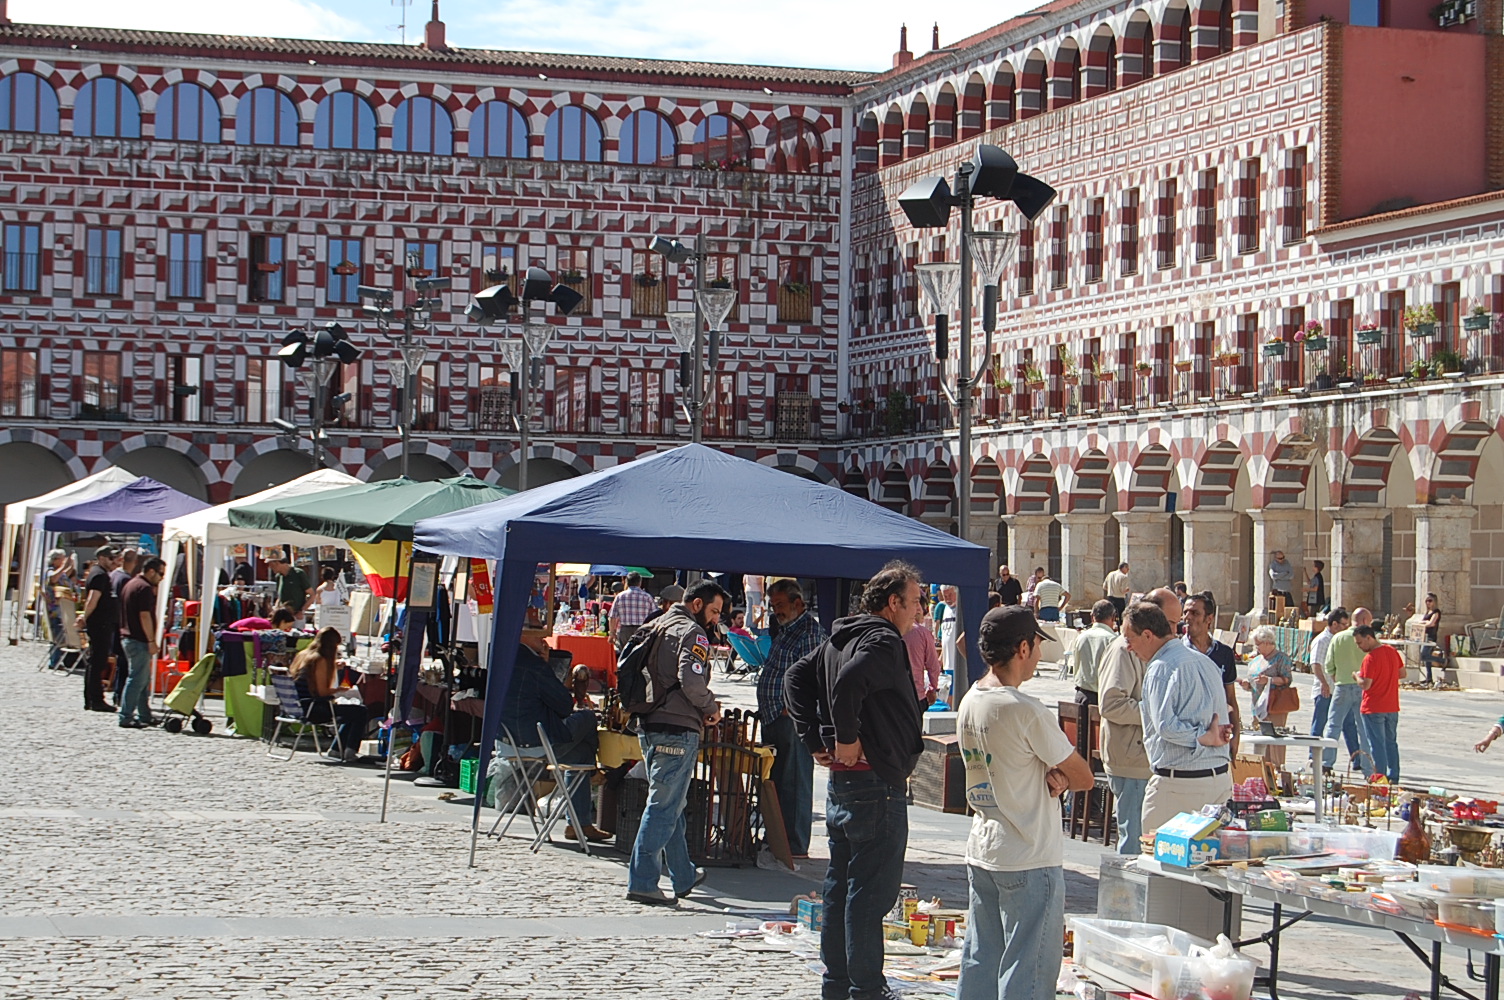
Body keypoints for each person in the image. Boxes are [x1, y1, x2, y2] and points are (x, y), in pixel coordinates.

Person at [786, 562, 924, 1000]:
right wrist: (843, 739)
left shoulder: (838, 638)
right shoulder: (881, 639)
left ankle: (838, 983)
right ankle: (867, 988)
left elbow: (795, 678)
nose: (919, 610)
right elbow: (847, 683)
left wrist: (813, 739)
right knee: (869, 892)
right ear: (893, 603)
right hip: (874, 782)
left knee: (842, 885)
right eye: (915, 601)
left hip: (848, 784)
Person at [956, 605, 1094, 1000]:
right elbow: (1083, 775)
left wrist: (1053, 776)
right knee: (1028, 970)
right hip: (1029, 852)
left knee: (982, 959)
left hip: (985, 845)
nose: (1038, 655)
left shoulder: (972, 699)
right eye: (1036, 646)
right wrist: (1061, 777)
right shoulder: (1024, 709)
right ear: (1022, 648)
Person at [626, 579, 726, 907]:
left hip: (649, 723)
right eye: (713, 611)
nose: (715, 619)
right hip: (677, 726)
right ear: (697, 604)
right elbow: (692, 680)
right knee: (664, 805)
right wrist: (711, 708)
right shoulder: (692, 632)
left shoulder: (655, 623)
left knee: (674, 803)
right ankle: (642, 881)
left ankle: (683, 874)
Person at [1128, 601, 1233, 836]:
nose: (1128, 648)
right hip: (1217, 779)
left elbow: (1166, 727)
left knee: (1160, 863)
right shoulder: (1205, 662)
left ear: (1147, 635)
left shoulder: (1160, 668)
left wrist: (1202, 737)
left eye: (1130, 640)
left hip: (1180, 786)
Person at [501, 631, 608, 841]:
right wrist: (547, 666)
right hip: (537, 742)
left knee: (580, 754)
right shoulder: (534, 665)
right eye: (537, 635)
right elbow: (564, 705)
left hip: (507, 741)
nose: (543, 640)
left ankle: (579, 824)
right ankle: (592, 775)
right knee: (587, 718)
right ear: (522, 636)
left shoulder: (504, 660)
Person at [1099, 588, 1181, 854]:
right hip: (1131, 760)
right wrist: (1157, 713)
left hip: (1151, 759)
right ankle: (1126, 895)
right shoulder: (1125, 649)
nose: (1174, 632)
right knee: (1134, 842)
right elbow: (1111, 704)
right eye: (1169, 624)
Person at [756, 578, 828, 859]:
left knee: (794, 780)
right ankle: (777, 837)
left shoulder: (809, 631)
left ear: (798, 603)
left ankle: (794, 843)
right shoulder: (786, 629)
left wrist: (795, 709)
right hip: (775, 715)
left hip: (791, 719)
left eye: (781, 605)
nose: (777, 611)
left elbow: (813, 677)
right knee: (776, 779)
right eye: (774, 606)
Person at [287, 626, 367, 761]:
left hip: (298, 706)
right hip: (313, 709)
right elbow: (322, 692)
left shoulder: (303, 655)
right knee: (360, 711)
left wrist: (333, 666)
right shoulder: (320, 660)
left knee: (351, 712)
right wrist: (341, 691)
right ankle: (349, 750)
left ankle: (337, 749)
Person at [1181, 592, 1240, 756]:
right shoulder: (1177, 651)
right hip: (1189, 734)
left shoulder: (1224, 653)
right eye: (1185, 612)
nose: (1187, 617)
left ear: (1209, 618)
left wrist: (1236, 735)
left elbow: (1230, 697)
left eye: (1195, 613)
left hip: (1219, 733)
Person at [1323, 607, 1374, 772]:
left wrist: (1336, 678)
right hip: (1363, 687)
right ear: (1365, 621)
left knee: (1333, 725)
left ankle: (1326, 763)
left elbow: (1329, 665)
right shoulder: (1369, 639)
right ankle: (1367, 767)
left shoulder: (1338, 637)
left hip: (1342, 686)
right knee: (1364, 728)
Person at [116, 556, 165, 729]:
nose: (161, 578)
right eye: (160, 573)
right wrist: (151, 640)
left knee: (142, 679)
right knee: (137, 679)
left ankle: (145, 714)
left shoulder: (131, 583)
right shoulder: (143, 588)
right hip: (138, 639)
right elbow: (144, 615)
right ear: (151, 571)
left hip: (129, 638)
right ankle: (126, 715)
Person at [1240, 626, 1293, 767]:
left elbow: (1287, 679)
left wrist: (1269, 680)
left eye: (1258, 644)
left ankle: (1277, 771)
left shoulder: (1281, 658)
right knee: (1260, 741)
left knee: (1275, 742)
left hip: (1275, 704)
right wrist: (1247, 685)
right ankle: (1261, 772)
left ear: (1268, 642)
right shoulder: (1256, 660)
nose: (1256, 647)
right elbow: (1253, 681)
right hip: (1258, 704)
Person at [1355, 625, 1403, 782]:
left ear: (1369, 638)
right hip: (1391, 706)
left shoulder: (1370, 658)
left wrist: (1356, 676)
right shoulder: (1391, 651)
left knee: (1377, 744)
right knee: (1391, 743)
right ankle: (1394, 776)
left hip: (1373, 707)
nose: (1359, 647)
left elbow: (1366, 684)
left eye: (1360, 643)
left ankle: (1380, 777)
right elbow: (1402, 673)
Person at [77, 545, 121, 713]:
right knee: (98, 662)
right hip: (100, 623)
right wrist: (84, 617)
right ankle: (96, 699)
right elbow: (92, 599)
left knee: (95, 662)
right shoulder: (99, 575)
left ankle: (91, 698)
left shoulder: (98, 574)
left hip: (100, 623)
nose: (113, 562)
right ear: (102, 558)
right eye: (111, 558)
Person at [1308, 609, 1350, 741]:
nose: (1345, 628)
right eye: (1344, 625)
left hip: (1339, 689)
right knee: (1319, 724)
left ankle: (1357, 758)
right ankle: (1313, 757)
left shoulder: (1339, 640)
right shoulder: (1322, 640)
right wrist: (1324, 683)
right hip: (1325, 690)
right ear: (1335, 624)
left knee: (1348, 724)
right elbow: (1315, 664)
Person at [1071, 600, 1118, 707]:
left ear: (1092, 616)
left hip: (1082, 695)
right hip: (1102, 698)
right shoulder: (1112, 640)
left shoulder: (1081, 637)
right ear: (1113, 617)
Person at [108, 548, 138, 707]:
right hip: (122, 625)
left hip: (114, 623)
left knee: (122, 662)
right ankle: (120, 695)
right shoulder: (125, 579)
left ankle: (118, 694)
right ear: (134, 562)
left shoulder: (113, 575)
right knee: (125, 664)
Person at [904, 594, 943, 707]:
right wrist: (932, 689)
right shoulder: (923, 633)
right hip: (916, 694)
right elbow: (934, 666)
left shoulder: (889, 630)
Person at [608, 571, 655, 648]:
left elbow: (613, 616)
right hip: (642, 630)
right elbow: (655, 615)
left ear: (627, 582)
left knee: (624, 655)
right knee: (640, 656)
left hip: (625, 630)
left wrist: (612, 633)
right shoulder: (647, 597)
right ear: (640, 582)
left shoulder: (620, 596)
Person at [268, 554, 313, 618]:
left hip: (296, 616)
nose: (270, 567)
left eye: (271, 565)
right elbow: (279, 597)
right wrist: (275, 610)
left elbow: (312, 595)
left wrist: (302, 611)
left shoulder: (298, 574)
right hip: (282, 616)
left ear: (277, 563)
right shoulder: (278, 577)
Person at [1419, 594, 1442, 686]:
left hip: (1431, 636)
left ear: (1434, 602)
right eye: (1427, 601)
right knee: (1426, 658)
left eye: (1430, 601)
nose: (1428, 603)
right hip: (1424, 636)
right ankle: (1429, 678)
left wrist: (1423, 623)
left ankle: (1442, 661)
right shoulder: (1427, 612)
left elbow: (1432, 623)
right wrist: (1424, 622)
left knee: (1424, 655)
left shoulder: (1436, 612)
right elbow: (1423, 621)